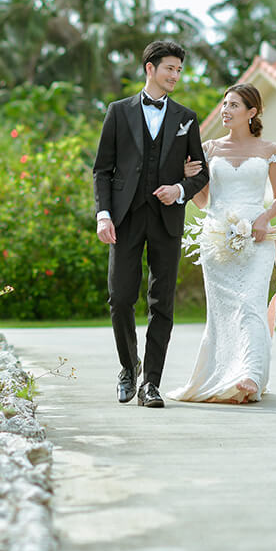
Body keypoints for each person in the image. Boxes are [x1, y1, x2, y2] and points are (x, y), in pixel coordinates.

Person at [93, 40, 210, 407]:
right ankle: (129, 369)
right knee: (120, 297)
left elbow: (201, 173)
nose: (175, 75)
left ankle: (151, 384)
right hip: (124, 218)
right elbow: (102, 169)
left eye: (179, 70)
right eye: (169, 69)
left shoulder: (187, 118)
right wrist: (103, 214)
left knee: (162, 303)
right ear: (150, 68)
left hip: (167, 220)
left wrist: (179, 188)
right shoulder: (117, 111)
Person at [168, 83, 276, 404]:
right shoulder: (208, 150)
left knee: (250, 305)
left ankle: (249, 374)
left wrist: (263, 219)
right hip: (217, 237)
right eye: (224, 104)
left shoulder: (270, 151)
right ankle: (225, 374)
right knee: (222, 312)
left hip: (257, 237)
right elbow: (205, 202)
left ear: (252, 112)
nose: (225, 110)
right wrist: (187, 179)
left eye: (234, 105)